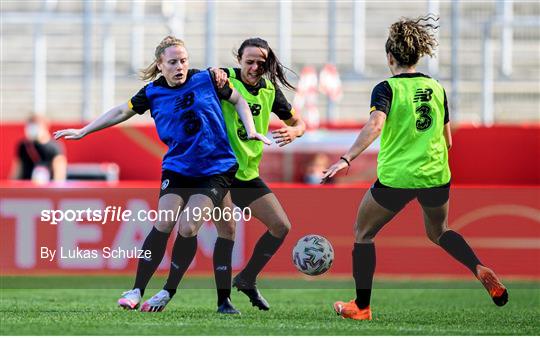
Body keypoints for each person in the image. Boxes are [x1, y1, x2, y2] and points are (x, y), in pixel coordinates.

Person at [54, 36, 270, 314]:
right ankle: (136, 290)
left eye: (183, 61)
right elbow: (122, 110)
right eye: (172, 62)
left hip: (215, 169)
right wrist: (84, 130)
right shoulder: (152, 92)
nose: (179, 66)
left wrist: (250, 129)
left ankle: (171, 291)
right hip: (178, 168)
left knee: (189, 227)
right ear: (160, 65)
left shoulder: (207, 79)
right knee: (164, 222)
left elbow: (239, 99)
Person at [321, 16, 508, 321]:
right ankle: (478, 267)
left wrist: (346, 159)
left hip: (398, 177)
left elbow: (375, 124)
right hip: (435, 174)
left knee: (363, 233)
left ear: (390, 57)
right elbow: (447, 140)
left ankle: (362, 307)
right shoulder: (435, 88)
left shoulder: (386, 88)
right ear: (418, 55)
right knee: (440, 231)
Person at [214, 37, 306, 311]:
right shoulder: (224, 79)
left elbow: (298, 122)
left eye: (260, 63)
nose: (254, 67)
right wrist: (213, 72)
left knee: (281, 226)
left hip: (248, 174)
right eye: (249, 61)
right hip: (221, 172)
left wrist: (294, 131)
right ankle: (224, 300)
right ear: (239, 60)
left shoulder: (269, 90)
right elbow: (198, 77)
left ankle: (247, 279)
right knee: (228, 229)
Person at [11, 115, 67, 183]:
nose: (31, 129)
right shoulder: (23, 145)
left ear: (44, 126)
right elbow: (17, 170)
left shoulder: (54, 146)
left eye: (35, 126)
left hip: (46, 189)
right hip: (25, 187)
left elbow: (59, 173)